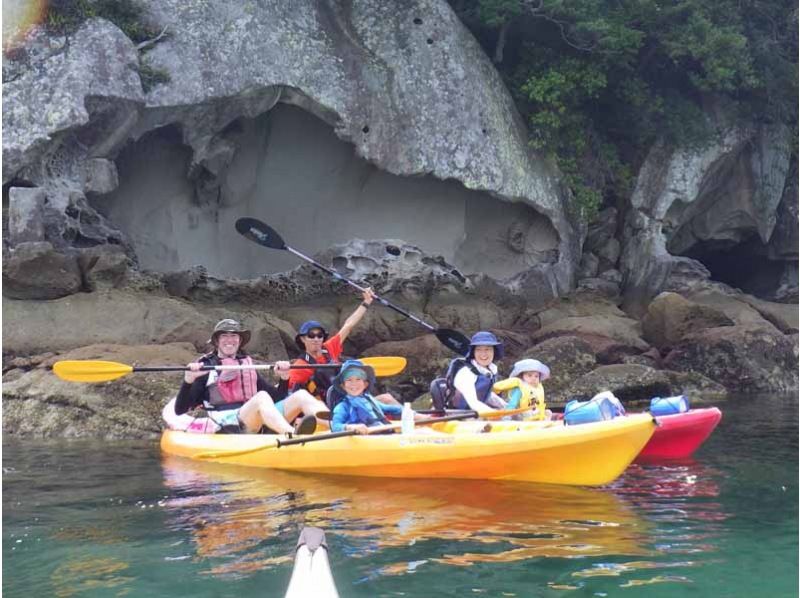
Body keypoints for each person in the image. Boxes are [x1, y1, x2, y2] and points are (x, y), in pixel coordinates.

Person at [175, 319, 328, 436]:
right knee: (261, 397)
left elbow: (276, 398)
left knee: (300, 396)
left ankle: (338, 427)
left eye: (234, 336)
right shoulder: (206, 367)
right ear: (216, 341)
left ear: (239, 340)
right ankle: (292, 436)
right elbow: (180, 409)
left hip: (255, 418)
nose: (230, 340)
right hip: (229, 425)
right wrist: (188, 380)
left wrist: (284, 379)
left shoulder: (245, 365)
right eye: (224, 336)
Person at [289, 287, 400, 406]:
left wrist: (366, 302)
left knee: (387, 398)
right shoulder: (300, 366)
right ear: (302, 339)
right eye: (311, 335)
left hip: (351, 399)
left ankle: (415, 420)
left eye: (319, 335)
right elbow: (290, 394)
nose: (316, 339)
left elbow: (348, 325)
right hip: (329, 410)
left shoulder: (329, 348)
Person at [329, 360, 415, 434]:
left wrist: (413, 413)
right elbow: (335, 426)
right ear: (343, 386)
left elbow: (393, 409)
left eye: (358, 379)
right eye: (349, 380)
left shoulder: (370, 401)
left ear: (365, 384)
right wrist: (351, 427)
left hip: (383, 435)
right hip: (364, 441)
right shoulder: (342, 407)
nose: (354, 384)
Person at [450, 331, 507, 414]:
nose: (483, 354)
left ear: (494, 352)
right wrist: (494, 413)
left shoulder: (489, 371)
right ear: (473, 352)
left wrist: (506, 406)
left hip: (475, 413)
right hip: (457, 415)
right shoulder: (466, 373)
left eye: (488, 349)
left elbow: (486, 395)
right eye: (479, 350)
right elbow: (473, 402)